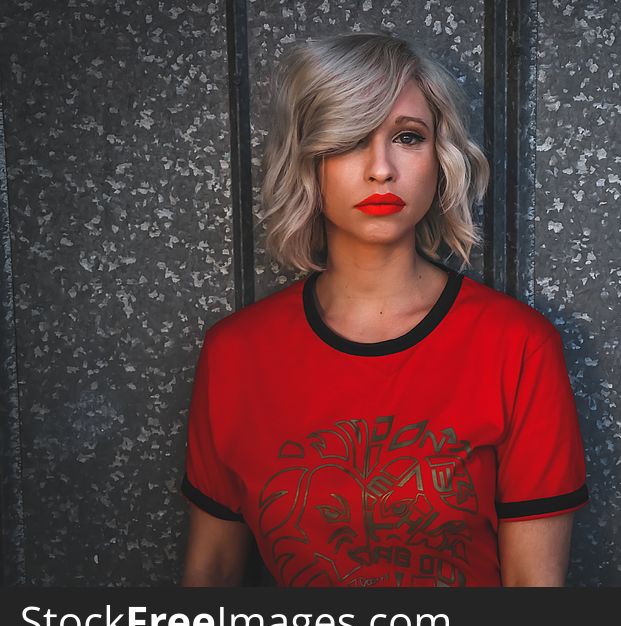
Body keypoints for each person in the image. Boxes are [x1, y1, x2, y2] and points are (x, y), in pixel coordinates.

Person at [179, 32, 588, 587]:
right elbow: (210, 573)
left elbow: (534, 588)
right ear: (307, 159)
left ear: (441, 160)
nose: (380, 169)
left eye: (407, 137)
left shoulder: (516, 347)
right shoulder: (236, 354)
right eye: (349, 140)